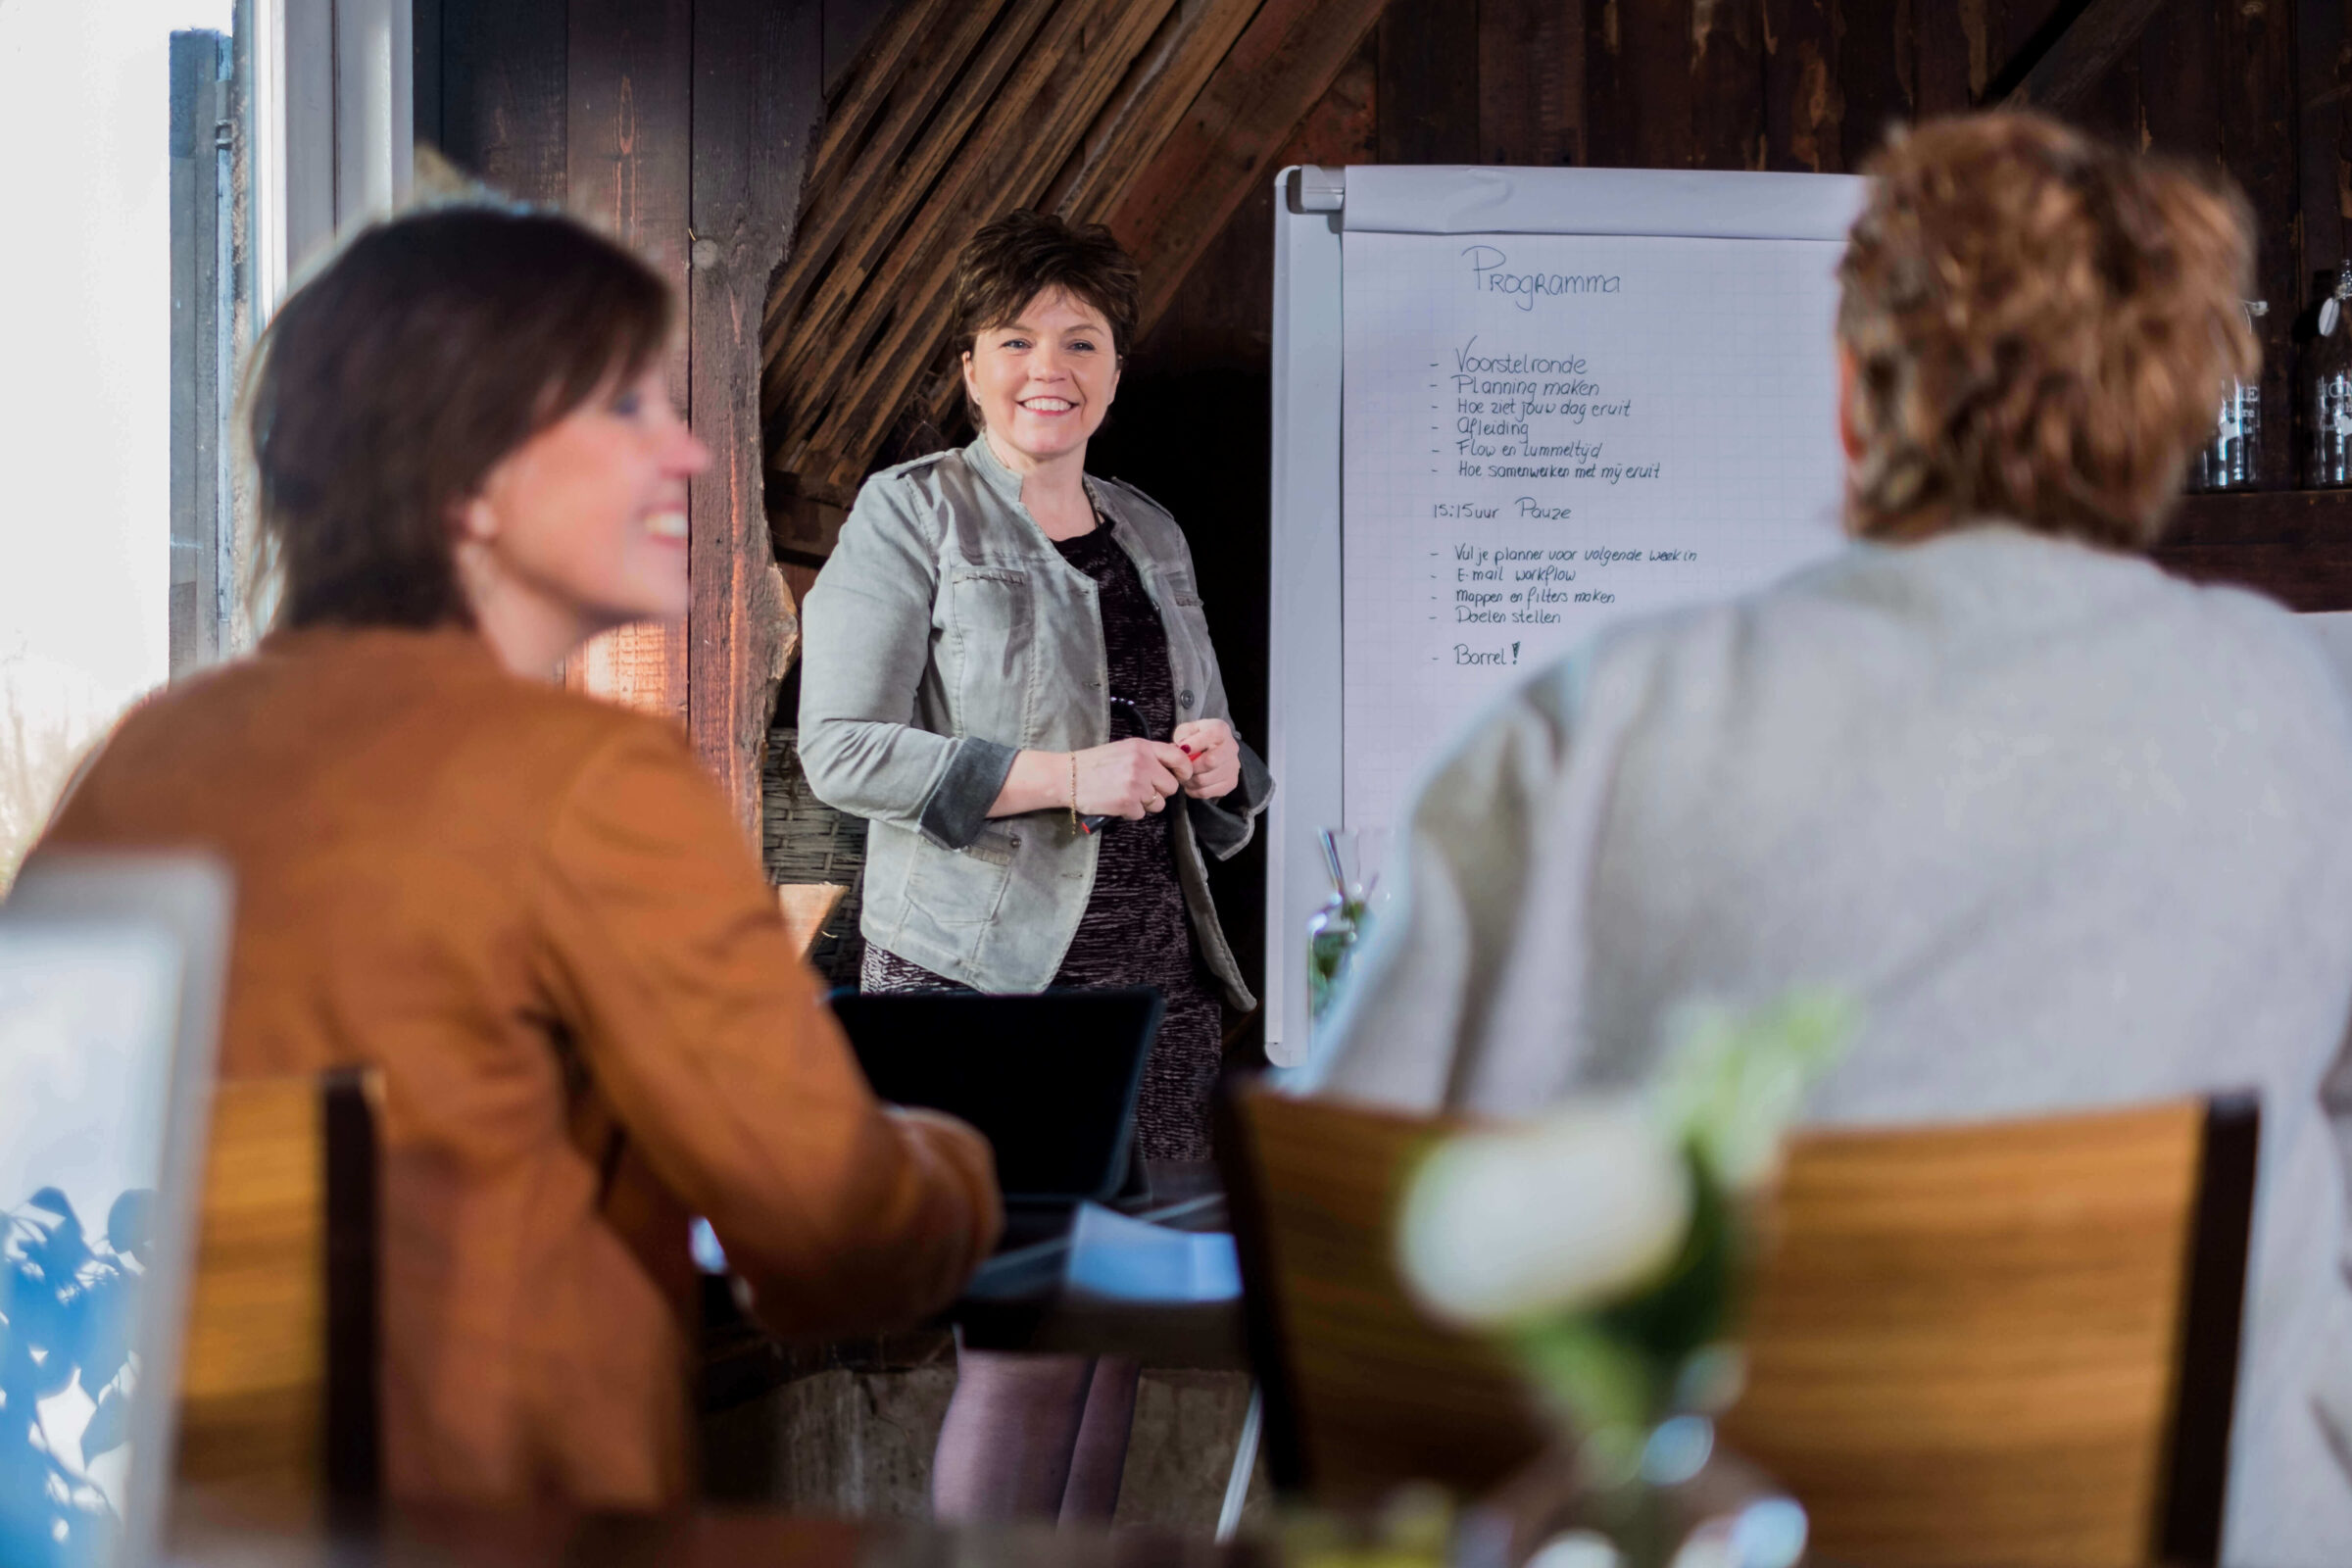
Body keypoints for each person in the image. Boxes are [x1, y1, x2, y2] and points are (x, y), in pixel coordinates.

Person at [1305, 114, 2352, 1567]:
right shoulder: (2304, 717)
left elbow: (1352, 1251)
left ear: (1856, 396)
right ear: (2169, 421)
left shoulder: (1598, 721)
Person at [31, 205, 1003, 1509]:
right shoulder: (587, 783)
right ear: (463, 477)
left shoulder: (146, 763)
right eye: (620, 410)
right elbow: (836, 1239)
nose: (691, 454)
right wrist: (963, 1163)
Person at [798, 210, 1272, 1521]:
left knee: (1112, 1341)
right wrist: (1068, 777)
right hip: (981, 1001)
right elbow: (837, 751)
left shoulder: (1150, 530)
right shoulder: (915, 514)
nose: (1045, 366)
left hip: (1153, 1006)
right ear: (970, 362)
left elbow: (1206, 738)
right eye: (1015, 338)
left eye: (1080, 338)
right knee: (1019, 1352)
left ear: (1115, 368)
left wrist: (1224, 766)